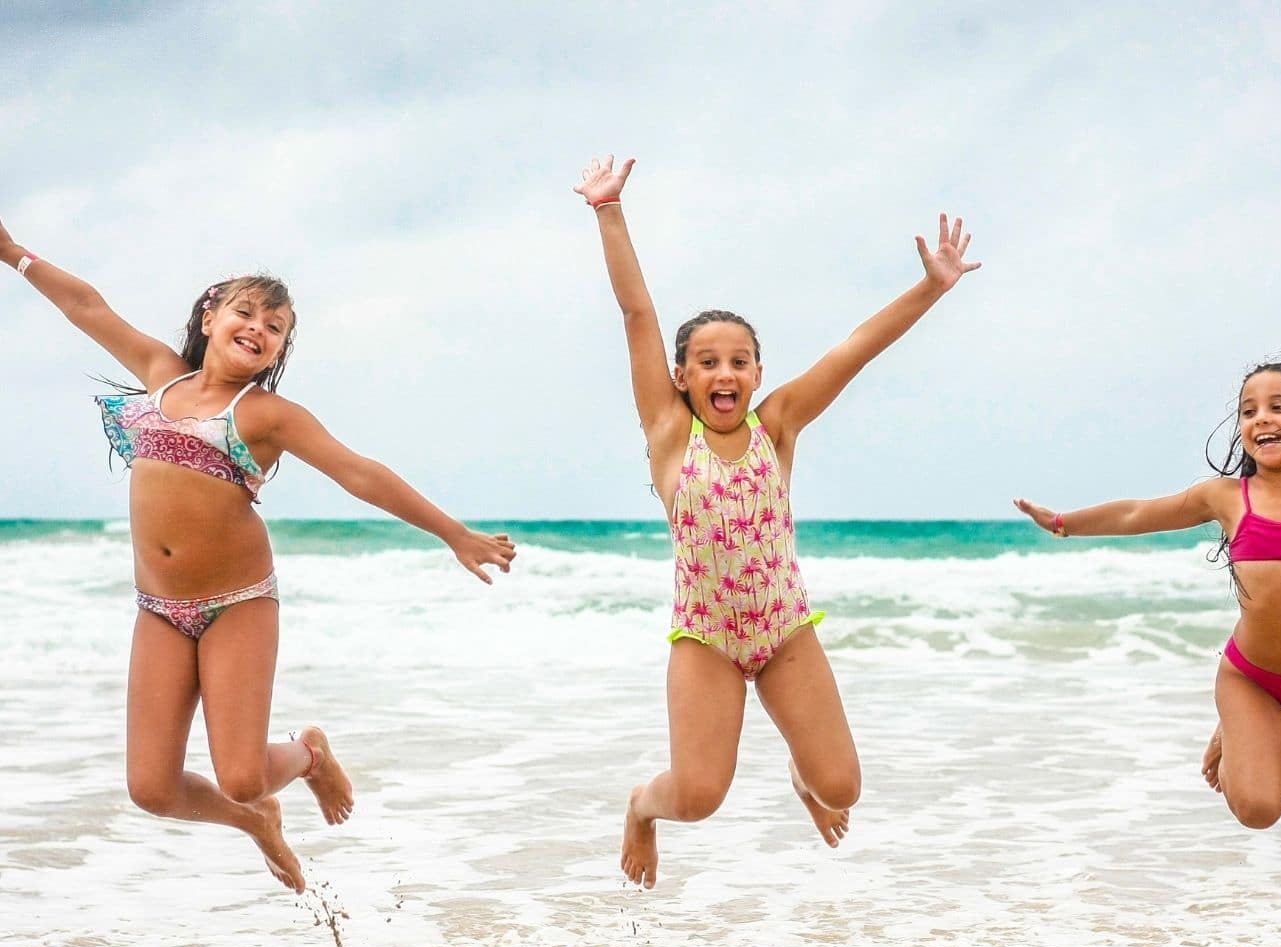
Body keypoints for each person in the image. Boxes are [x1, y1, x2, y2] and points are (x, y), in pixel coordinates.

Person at [2, 220, 516, 893]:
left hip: (238, 604)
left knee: (242, 773)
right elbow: (87, 307)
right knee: (151, 790)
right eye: (246, 312)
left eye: (275, 325)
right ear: (211, 317)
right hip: (158, 608)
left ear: (277, 348)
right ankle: (255, 824)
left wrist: (452, 532)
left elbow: (359, 472)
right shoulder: (160, 376)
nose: (258, 327)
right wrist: (13, 253)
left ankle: (309, 757)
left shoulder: (267, 416)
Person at [574, 154, 981, 888]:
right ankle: (641, 805)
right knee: (697, 798)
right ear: (681, 377)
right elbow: (638, 312)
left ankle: (801, 777)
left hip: (783, 626)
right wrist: (609, 211)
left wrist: (930, 288)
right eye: (706, 362)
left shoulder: (779, 424)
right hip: (707, 637)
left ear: (758, 372)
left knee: (841, 786)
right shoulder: (670, 434)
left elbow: (855, 349)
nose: (724, 374)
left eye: (739, 361)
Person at [1014, 360, 1281, 830]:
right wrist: (1061, 523)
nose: (1261, 419)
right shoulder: (1226, 496)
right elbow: (1137, 513)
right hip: (1251, 677)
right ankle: (1245, 728)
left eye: (1278, 407)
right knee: (1259, 812)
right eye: (1248, 411)